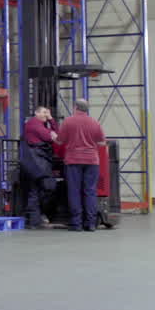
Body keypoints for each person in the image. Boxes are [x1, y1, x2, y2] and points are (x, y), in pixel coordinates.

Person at [55, 98, 105, 232]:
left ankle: (76, 224)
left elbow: (60, 141)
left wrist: (53, 135)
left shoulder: (68, 121)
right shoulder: (95, 122)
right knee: (90, 191)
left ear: (75, 107)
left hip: (73, 160)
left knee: (74, 191)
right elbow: (102, 142)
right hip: (92, 161)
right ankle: (91, 224)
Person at [18, 106, 57, 229]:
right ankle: (35, 219)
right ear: (36, 113)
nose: (46, 115)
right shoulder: (34, 124)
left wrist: (51, 120)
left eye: (47, 113)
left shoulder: (40, 124)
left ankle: (34, 220)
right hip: (37, 162)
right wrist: (52, 131)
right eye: (44, 112)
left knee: (35, 191)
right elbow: (52, 137)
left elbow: (57, 134)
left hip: (37, 161)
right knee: (48, 187)